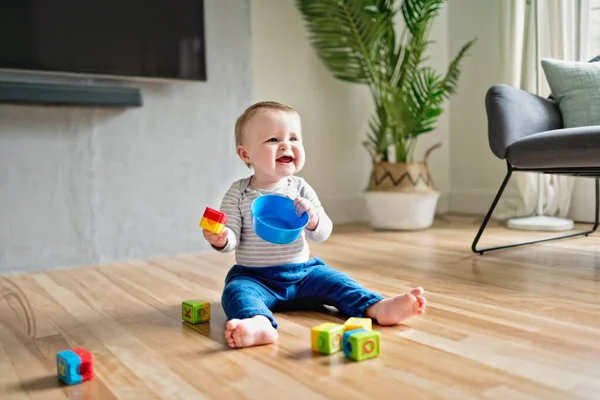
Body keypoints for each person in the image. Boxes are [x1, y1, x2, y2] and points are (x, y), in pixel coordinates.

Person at [202, 101, 426, 349]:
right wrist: (221, 238)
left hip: (303, 274)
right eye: (273, 140)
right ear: (246, 154)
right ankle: (258, 323)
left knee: (338, 282)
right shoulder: (238, 193)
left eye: (294, 138)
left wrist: (313, 218)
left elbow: (323, 233)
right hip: (255, 277)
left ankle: (378, 306)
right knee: (236, 292)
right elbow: (230, 234)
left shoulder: (299, 188)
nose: (287, 145)